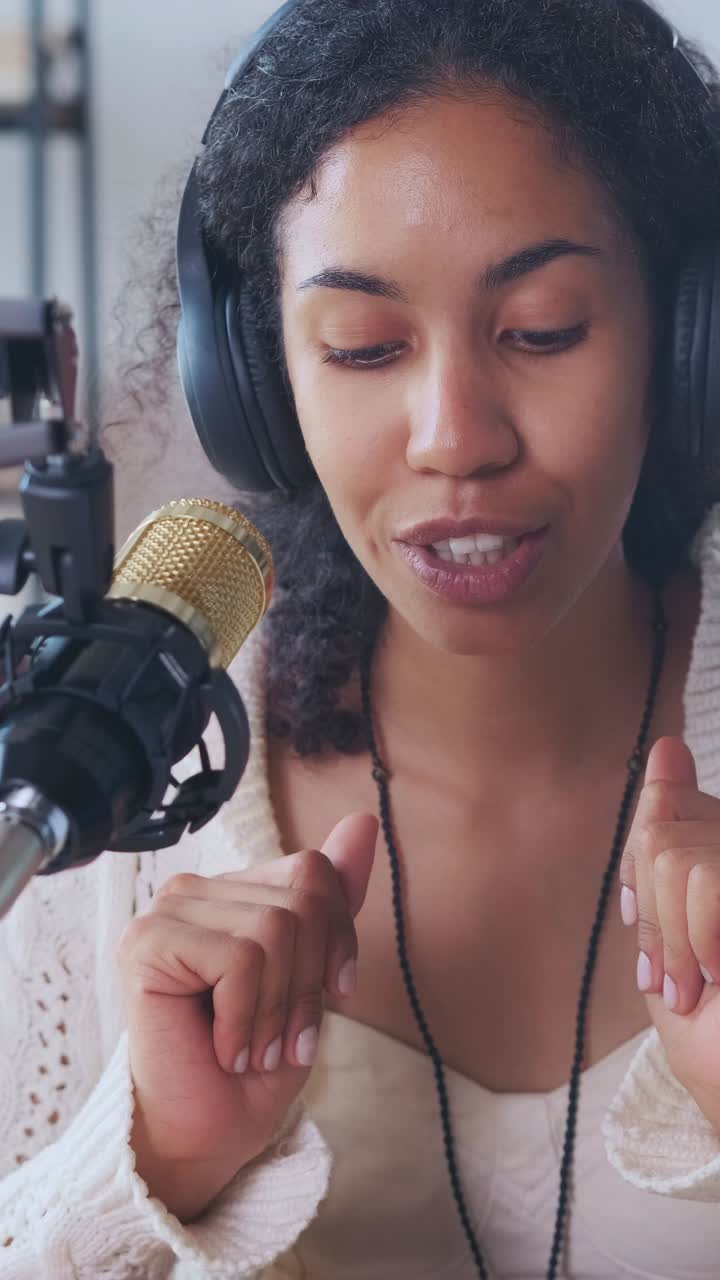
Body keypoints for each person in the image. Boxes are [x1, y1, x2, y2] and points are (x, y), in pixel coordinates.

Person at [3, 0, 720, 1275]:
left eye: (544, 328)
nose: (454, 434)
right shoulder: (98, 778)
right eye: (364, 345)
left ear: (688, 343)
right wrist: (155, 1158)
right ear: (261, 385)